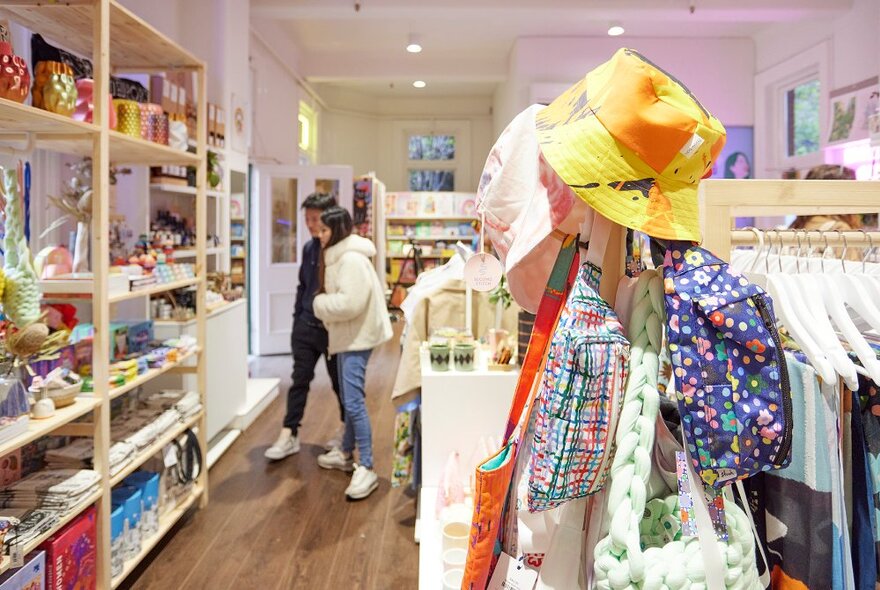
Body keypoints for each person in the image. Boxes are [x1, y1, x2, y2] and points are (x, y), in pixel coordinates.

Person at [313, 206, 393, 500]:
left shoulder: (349, 260)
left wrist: (319, 304)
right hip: (352, 336)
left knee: (354, 401)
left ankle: (367, 466)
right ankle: (346, 452)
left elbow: (350, 303)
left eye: (323, 230)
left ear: (337, 229)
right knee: (350, 398)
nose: (318, 235)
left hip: (357, 338)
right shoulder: (343, 257)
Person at [265, 193, 344, 461]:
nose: (310, 225)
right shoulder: (310, 248)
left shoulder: (342, 252)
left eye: (315, 219)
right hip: (305, 328)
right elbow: (303, 285)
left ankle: (346, 433)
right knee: (299, 381)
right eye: (307, 219)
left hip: (334, 331)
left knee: (340, 384)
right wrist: (297, 317)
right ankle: (289, 433)